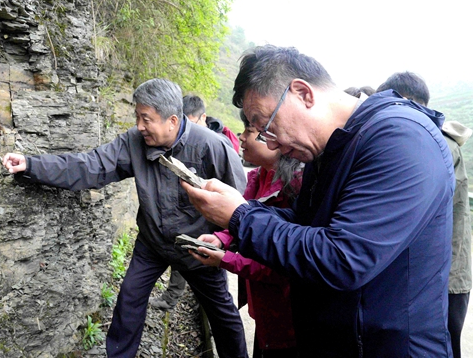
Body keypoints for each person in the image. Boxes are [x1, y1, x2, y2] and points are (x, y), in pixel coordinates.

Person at [180, 45, 455, 357]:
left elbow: (344, 257)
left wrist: (242, 218)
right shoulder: (332, 147)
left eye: (267, 126)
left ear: (302, 93)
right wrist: (240, 210)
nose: (273, 144)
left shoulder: (401, 139)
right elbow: (305, 223)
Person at [2, 78, 249, 358]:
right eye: (137, 117)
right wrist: (32, 164)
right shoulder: (134, 142)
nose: (140, 126)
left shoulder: (211, 146)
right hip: (153, 243)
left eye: (146, 119)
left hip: (198, 248)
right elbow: (91, 165)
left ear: (172, 120)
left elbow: (240, 202)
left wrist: (223, 242)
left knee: (221, 313)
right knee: (129, 299)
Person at [191, 109, 301, 358]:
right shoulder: (259, 176)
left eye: (250, 131)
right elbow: (241, 214)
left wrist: (225, 259)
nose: (241, 137)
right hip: (262, 305)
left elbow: (276, 263)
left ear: (274, 141)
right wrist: (221, 238)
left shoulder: (291, 190)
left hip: (284, 312)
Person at [377, 71, 472, 358]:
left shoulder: (437, 144)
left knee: (442, 344)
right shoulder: (427, 139)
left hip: (447, 276)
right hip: (439, 273)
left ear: (405, 102)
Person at [149, 93, 242, 311]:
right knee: (182, 257)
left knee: (212, 272)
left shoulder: (218, 142)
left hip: (212, 218)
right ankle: (173, 298)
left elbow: (236, 188)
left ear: (203, 118)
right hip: (187, 214)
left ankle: (205, 304)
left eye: (192, 124)